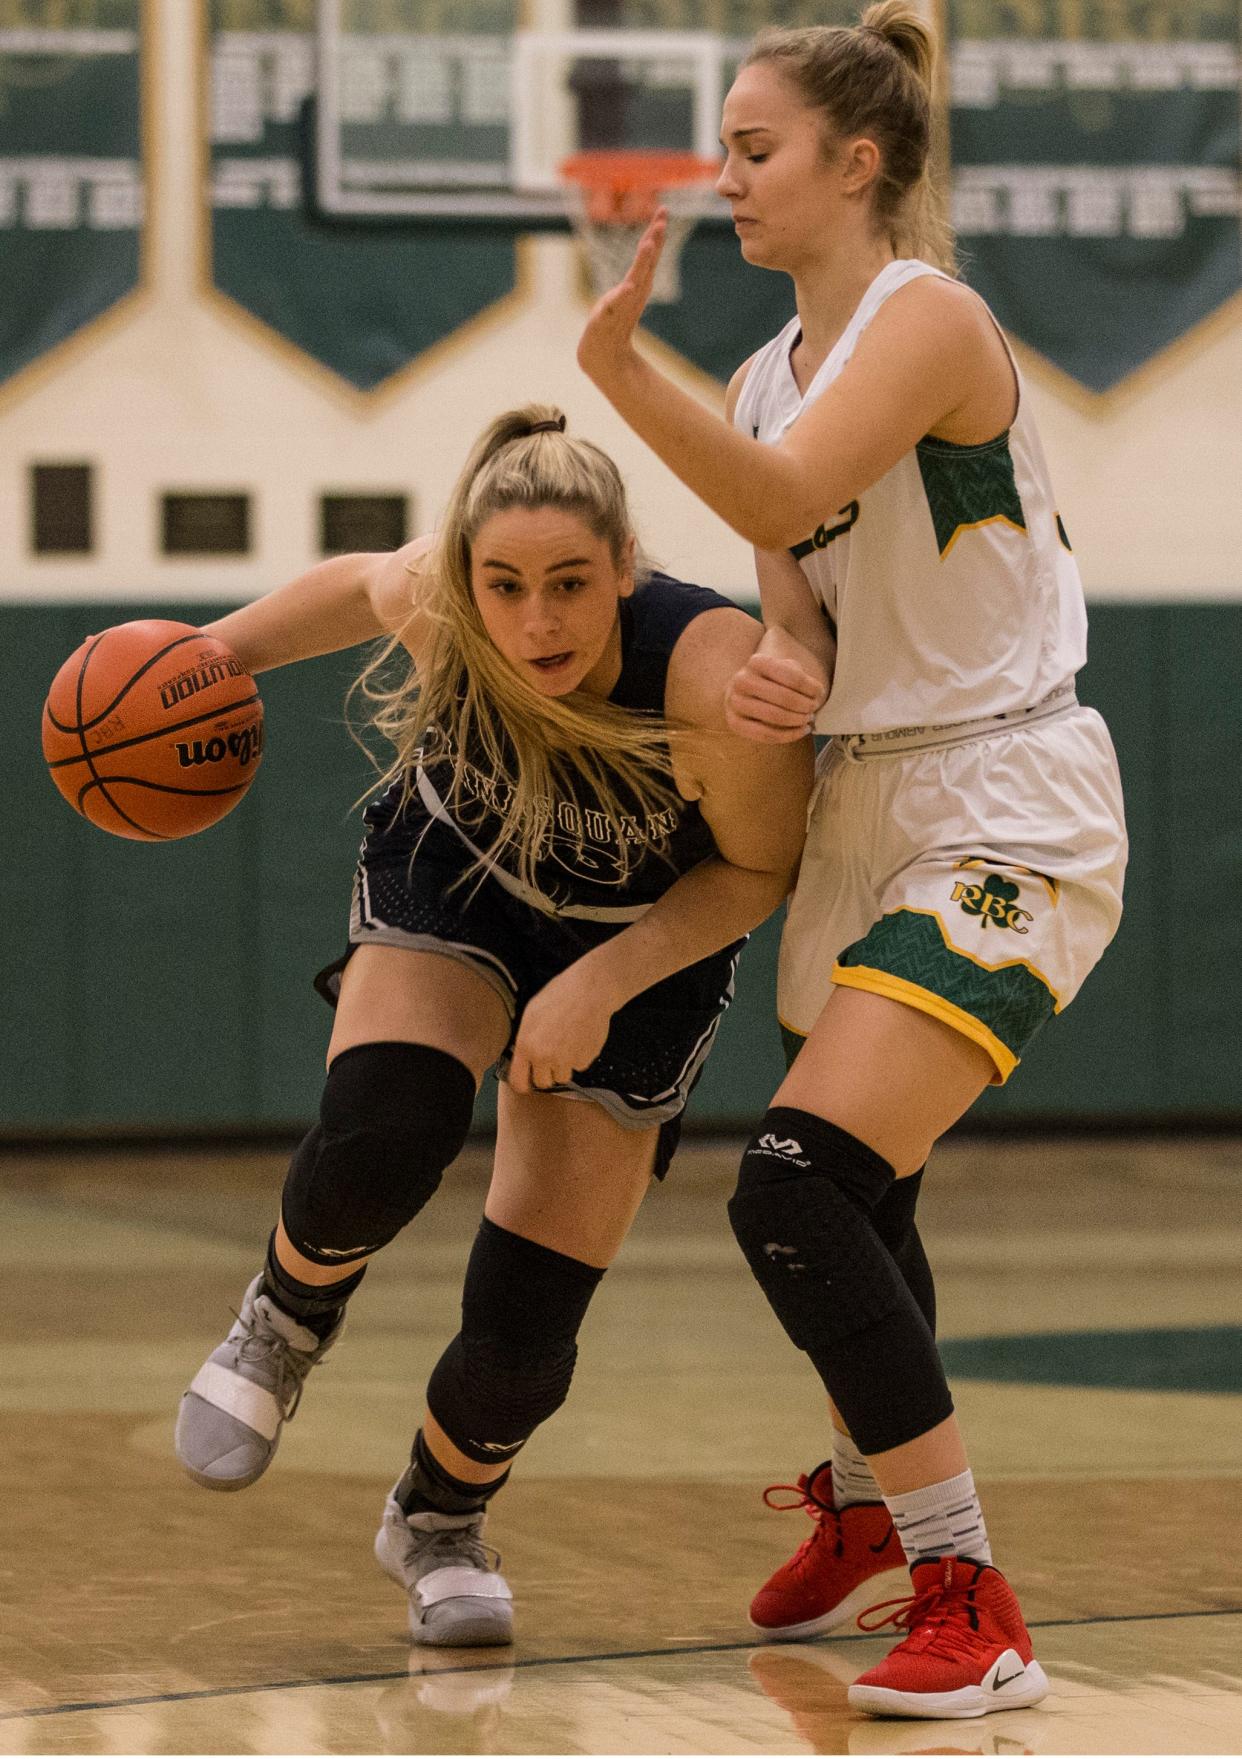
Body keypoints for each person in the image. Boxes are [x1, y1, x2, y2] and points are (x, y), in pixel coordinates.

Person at [576, 1, 1127, 1722]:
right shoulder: (759, 369)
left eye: (754, 149)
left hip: (1005, 795)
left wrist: (609, 370)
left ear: (857, 160)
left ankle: (973, 1593)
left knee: (793, 1180)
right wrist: (777, 664)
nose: (725, 178)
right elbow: (801, 602)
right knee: (860, 1190)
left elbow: (791, 477)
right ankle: (871, 1499)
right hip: (872, 788)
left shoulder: (925, 315)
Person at [172, 404, 812, 1649]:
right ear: (469, 577)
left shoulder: (708, 672)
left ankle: (438, 1521)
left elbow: (757, 869)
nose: (538, 621)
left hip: (646, 936)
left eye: (571, 584)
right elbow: (361, 586)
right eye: (506, 585)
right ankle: (286, 1317)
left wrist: (602, 981)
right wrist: (206, 656)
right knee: (388, 1125)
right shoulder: (441, 601)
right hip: (458, 876)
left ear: (626, 565)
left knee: (525, 1330)